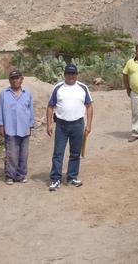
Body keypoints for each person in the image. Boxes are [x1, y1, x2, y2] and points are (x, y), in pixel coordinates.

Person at [46, 64, 93, 192]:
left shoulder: (83, 88)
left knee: (75, 153)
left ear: (77, 75)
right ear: (64, 74)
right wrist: (49, 123)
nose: (71, 76)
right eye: (68, 74)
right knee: (58, 153)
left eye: (73, 74)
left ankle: (72, 176)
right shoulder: (58, 88)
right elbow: (50, 106)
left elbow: (89, 106)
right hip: (61, 125)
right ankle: (56, 178)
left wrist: (88, 125)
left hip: (78, 124)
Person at [0, 70, 34, 185]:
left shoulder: (27, 94)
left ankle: (21, 175)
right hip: (10, 128)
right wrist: (1, 125)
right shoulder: (4, 94)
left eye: (17, 78)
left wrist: (31, 125)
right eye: (12, 78)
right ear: (9, 80)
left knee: (24, 153)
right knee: (11, 154)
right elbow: (0, 110)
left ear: (21, 79)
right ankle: (10, 176)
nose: (15, 80)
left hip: (24, 128)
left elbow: (30, 110)